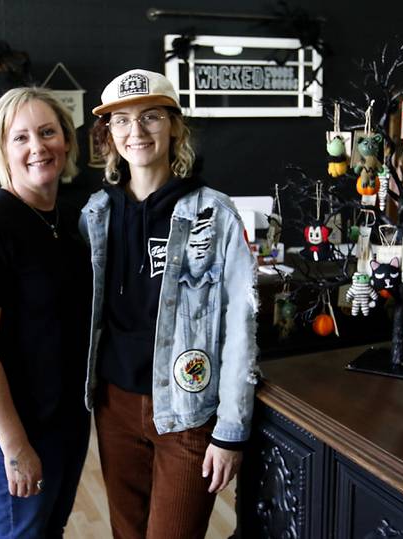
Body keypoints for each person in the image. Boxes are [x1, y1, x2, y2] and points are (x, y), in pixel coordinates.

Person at [80, 69, 259, 539]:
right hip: (113, 405)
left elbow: (240, 325)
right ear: (108, 134)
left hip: (187, 409)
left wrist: (230, 430)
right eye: (121, 121)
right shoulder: (94, 215)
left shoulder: (214, 213)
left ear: (175, 126)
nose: (135, 132)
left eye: (151, 117)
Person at [0, 87, 91, 539]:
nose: (38, 147)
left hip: (68, 418)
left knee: (51, 529)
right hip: (17, 426)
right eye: (21, 137)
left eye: (48, 132)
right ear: (2, 150)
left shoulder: (70, 220)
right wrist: (15, 446)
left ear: (66, 141)